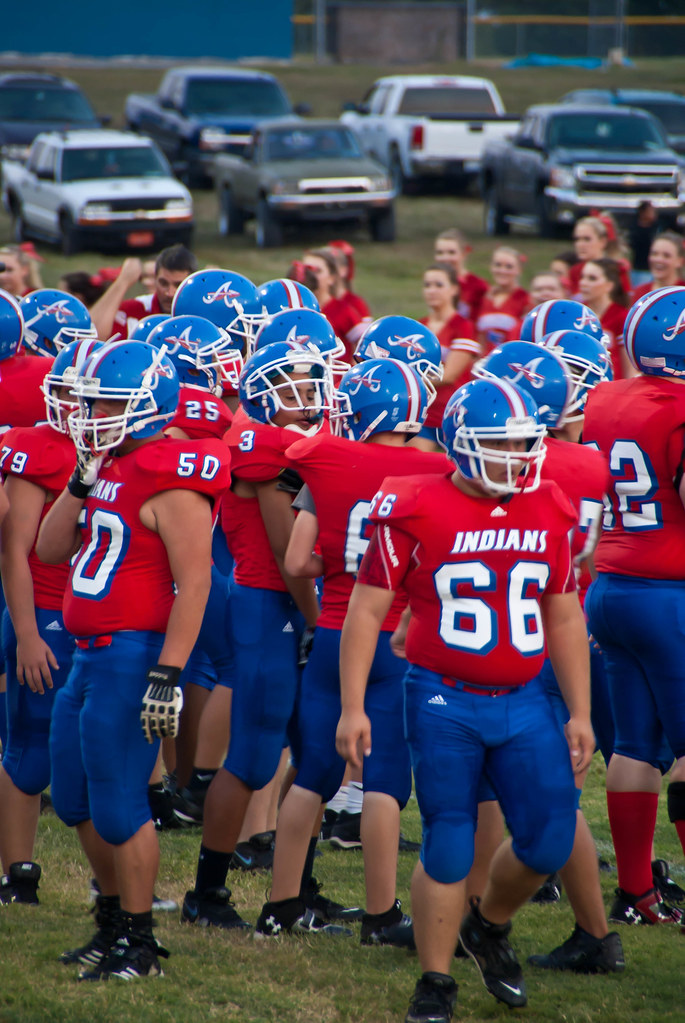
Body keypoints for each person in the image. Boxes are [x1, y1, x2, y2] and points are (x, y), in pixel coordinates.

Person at [336, 376, 593, 1020]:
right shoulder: (413, 505)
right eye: (500, 445)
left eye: (523, 444)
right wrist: (352, 704)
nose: (519, 459)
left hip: (526, 697)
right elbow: (366, 614)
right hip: (442, 698)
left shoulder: (548, 503)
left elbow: (563, 616)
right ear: (460, 446)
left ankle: (490, 925)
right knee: (449, 841)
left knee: (549, 838)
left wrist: (582, 711)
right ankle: (436, 980)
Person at [35, 340, 229, 980]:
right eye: (92, 404)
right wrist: (78, 480)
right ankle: (115, 916)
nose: (93, 416)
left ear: (148, 406)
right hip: (86, 656)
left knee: (120, 805)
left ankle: (139, 942)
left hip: (131, 657)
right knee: (72, 800)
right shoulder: (108, 465)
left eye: (109, 404)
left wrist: (168, 674)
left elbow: (195, 584)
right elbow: (49, 546)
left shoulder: (171, 475)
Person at [255, 359, 446, 942]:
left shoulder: (325, 462)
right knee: (386, 779)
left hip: (337, 629)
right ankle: (381, 913)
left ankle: (280, 906)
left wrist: (337, 565)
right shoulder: (437, 470)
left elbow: (296, 563)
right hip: (394, 636)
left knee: (314, 770)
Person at [475, 339, 624, 976]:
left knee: (494, 789)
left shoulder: (512, 464)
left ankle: (477, 915)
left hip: (516, 634)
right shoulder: (591, 463)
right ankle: (592, 932)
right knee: (557, 794)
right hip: (573, 623)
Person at [182, 340, 332, 932]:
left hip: (287, 603)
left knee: (315, 753)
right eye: (293, 386)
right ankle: (207, 894)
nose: (307, 397)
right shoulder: (261, 445)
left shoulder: (294, 441)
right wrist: (316, 616)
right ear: (264, 390)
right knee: (252, 753)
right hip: (268, 604)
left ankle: (294, 893)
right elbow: (283, 550)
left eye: (312, 384)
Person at [583, 285, 685, 928]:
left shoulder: (604, 399)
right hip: (670, 595)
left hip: (611, 587)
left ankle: (637, 891)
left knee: (635, 747)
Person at [0, 341, 98, 903]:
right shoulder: (36, 447)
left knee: (94, 753)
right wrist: (29, 632)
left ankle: (109, 882)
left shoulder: (126, 449)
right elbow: (15, 552)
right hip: (45, 614)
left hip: (101, 618)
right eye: (68, 392)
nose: (81, 405)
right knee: (30, 747)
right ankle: (18, 874)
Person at [413, 263, 480, 450]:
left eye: (438, 285)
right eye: (427, 285)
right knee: (419, 472)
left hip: (454, 417)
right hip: (423, 416)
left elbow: (448, 375)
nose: (431, 291)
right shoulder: (419, 326)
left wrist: (409, 380)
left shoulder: (463, 326)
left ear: (453, 290)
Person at [89, 245, 198, 341]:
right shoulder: (136, 309)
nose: (170, 293)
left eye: (178, 285)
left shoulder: (205, 314)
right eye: (163, 283)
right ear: (155, 280)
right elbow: (90, 337)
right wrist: (123, 281)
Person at [302, 248, 368, 363]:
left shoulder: (343, 310)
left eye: (317, 271)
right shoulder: (296, 309)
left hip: (336, 378)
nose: (310, 276)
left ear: (331, 278)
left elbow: (366, 348)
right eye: (306, 270)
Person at [577, 258, 632, 379]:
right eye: (582, 277)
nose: (583, 283)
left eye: (592, 278)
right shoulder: (577, 314)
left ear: (609, 285)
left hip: (613, 389)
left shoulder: (622, 317)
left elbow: (629, 369)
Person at [476, 247, 530, 353]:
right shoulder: (483, 297)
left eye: (509, 267)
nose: (502, 270)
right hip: (481, 363)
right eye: (498, 265)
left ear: (519, 270)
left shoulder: (525, 299)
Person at [567, 215, 632, 301]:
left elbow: (627, 302)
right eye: (577, 239)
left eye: (587, 239)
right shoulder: (575, 271)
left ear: (603, 241)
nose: (580, 244)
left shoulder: (618, 268)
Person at [433, 228, 488, 322]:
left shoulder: (478, 285)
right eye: (440, 253)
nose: (445, 258)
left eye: (451, 252)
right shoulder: (433, 283)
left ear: (463, 253)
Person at [632, 231, 685, 302]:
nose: (659, 259)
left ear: (680, 261)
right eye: (654, 254)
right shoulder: (640, 292)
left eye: (666, 255)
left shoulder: (682, 292)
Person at [628, 201, 659, 288]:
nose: (653, 214)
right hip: (638, 269)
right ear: (642, 212)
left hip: (651, 270)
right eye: (650, 211)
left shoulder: (657, 228)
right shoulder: (634, 230)